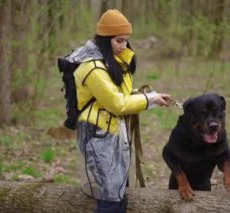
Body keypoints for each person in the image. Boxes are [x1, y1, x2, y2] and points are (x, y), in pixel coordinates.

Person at [68, 9, 170, 213]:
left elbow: (116, 95)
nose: (124, 46)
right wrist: (149, 99)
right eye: (119, 41)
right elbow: (116, 103)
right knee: (113, 198)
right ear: (105, 40)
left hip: (110, 130)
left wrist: (149, 97)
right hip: (98, 133)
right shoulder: (93, 68)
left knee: (117, 192)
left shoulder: (110, 61)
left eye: (126, 41)